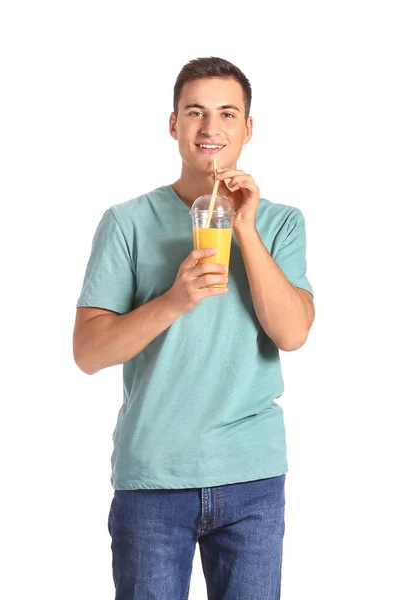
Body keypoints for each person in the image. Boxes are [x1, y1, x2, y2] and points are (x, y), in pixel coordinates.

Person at [73, 56, 315, 600]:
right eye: (195, 112)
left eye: (227, 113)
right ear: (173, 124)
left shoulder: (281, 223)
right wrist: (173, 301)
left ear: (248, 128)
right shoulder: (127, 222)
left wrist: (244, 228)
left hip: (251, 474)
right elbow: (88, 351)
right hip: (154, 477)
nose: (211, 128)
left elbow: (293, 333)